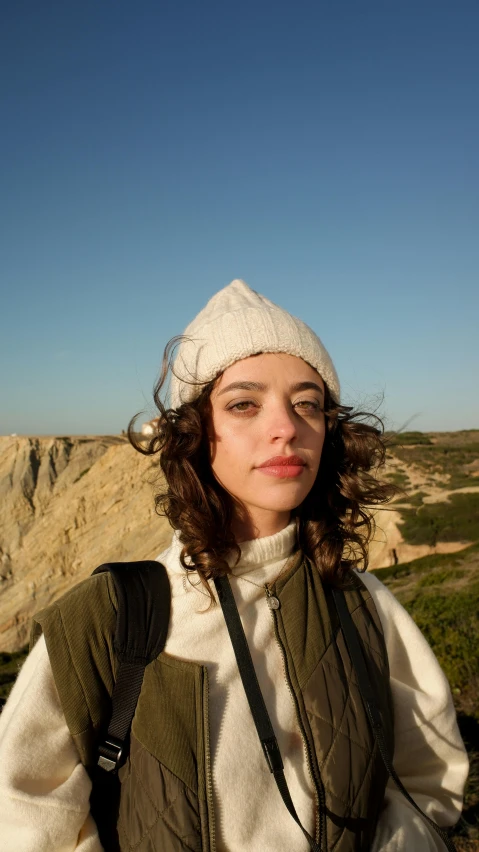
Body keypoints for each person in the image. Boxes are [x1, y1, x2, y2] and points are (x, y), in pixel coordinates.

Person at [0, 279, 469, 851]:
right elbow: (24, 816)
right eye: (244, 403)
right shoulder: (104, 620)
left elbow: (429, 785)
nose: (286, 427)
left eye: (307, 404)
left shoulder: (366, 606)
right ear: (194, 434)